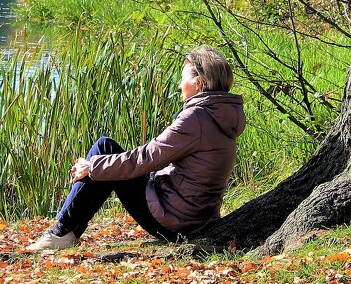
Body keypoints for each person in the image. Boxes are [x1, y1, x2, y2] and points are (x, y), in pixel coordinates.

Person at [29, 45, 246, 251]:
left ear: (198, 83)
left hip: (173, 221)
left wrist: (92, 166)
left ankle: (61, 233)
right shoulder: (222, 115)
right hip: (195, 218)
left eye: (183, 78)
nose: (180, 85)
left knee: (103, 149)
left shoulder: (196, 117)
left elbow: (146, 156)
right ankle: (65, 231)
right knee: (106, 151)